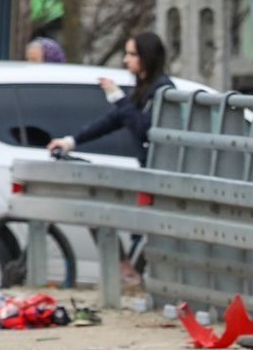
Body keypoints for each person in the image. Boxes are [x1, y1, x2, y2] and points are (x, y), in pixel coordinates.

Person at [47, 32, 174, 285]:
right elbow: (113, 121)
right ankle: (127, 271)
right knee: (102, 212)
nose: (126, 60)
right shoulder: (145, 88)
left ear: (147, 56)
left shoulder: (162, 89)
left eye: (132, 54)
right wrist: (72, 141)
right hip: (148, 174)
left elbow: (143, 129)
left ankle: (131, 274)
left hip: (158, 176)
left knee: (114, 215)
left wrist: (117, 97)